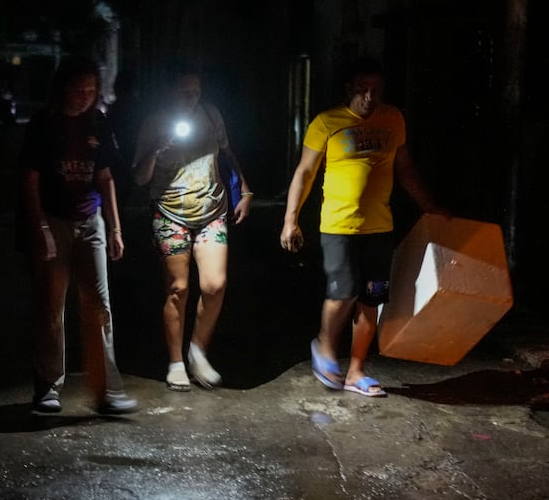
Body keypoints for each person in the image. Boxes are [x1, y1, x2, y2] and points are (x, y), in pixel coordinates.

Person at [279, 58, 443, 398]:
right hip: (338, 226)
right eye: (363, 90)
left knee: (371, 297)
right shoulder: (326, 123)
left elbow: (406, 170)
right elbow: (304, 173)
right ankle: (324, 346)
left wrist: (431, 208)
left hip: (379, 229)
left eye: (376, 90)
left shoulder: (393, 119)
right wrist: (290, 220)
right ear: (349, 89)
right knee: (344, 290)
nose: (371, 97)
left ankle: (356, 371)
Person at [18, 56, 138, 415]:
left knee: (99, 305)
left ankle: (106, 391)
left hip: (91, 222)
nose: (84, 96)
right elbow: (30, 179)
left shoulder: (97, 123)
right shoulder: (44, 124)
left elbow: (105, 177)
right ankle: (48, 387)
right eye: (78, 89)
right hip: (54, 220)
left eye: (91, 90)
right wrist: (39, 228)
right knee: (51, 306)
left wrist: (115, 227)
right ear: (63, 88)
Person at [132, 69, 252, 390]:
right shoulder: (154, 123)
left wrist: (244, 186)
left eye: (196, 91)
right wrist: (157, 150)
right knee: (178, 288)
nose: (191, 97)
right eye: (184, 92)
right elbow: (140, 179)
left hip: (212, 209)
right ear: (169, 92)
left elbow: (226, 153)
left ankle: (198, 350)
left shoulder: (211, 115)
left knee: (215, 285)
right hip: (170, 212)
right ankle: (175, 362)